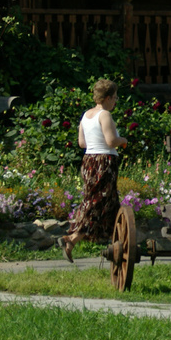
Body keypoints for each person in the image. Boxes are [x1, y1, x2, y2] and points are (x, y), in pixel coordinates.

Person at [58, 78, 127, 262]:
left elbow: (82, 143)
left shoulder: (86, 115)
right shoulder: (104, 115)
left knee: (106, 202)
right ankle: (72, 238)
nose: (116, 101)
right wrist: (124, 140)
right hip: (104, 161)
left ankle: (118, 244)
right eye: (114, 97)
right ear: (106, 98)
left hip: (89, 161)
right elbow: (111, 141)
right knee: (98, 202)